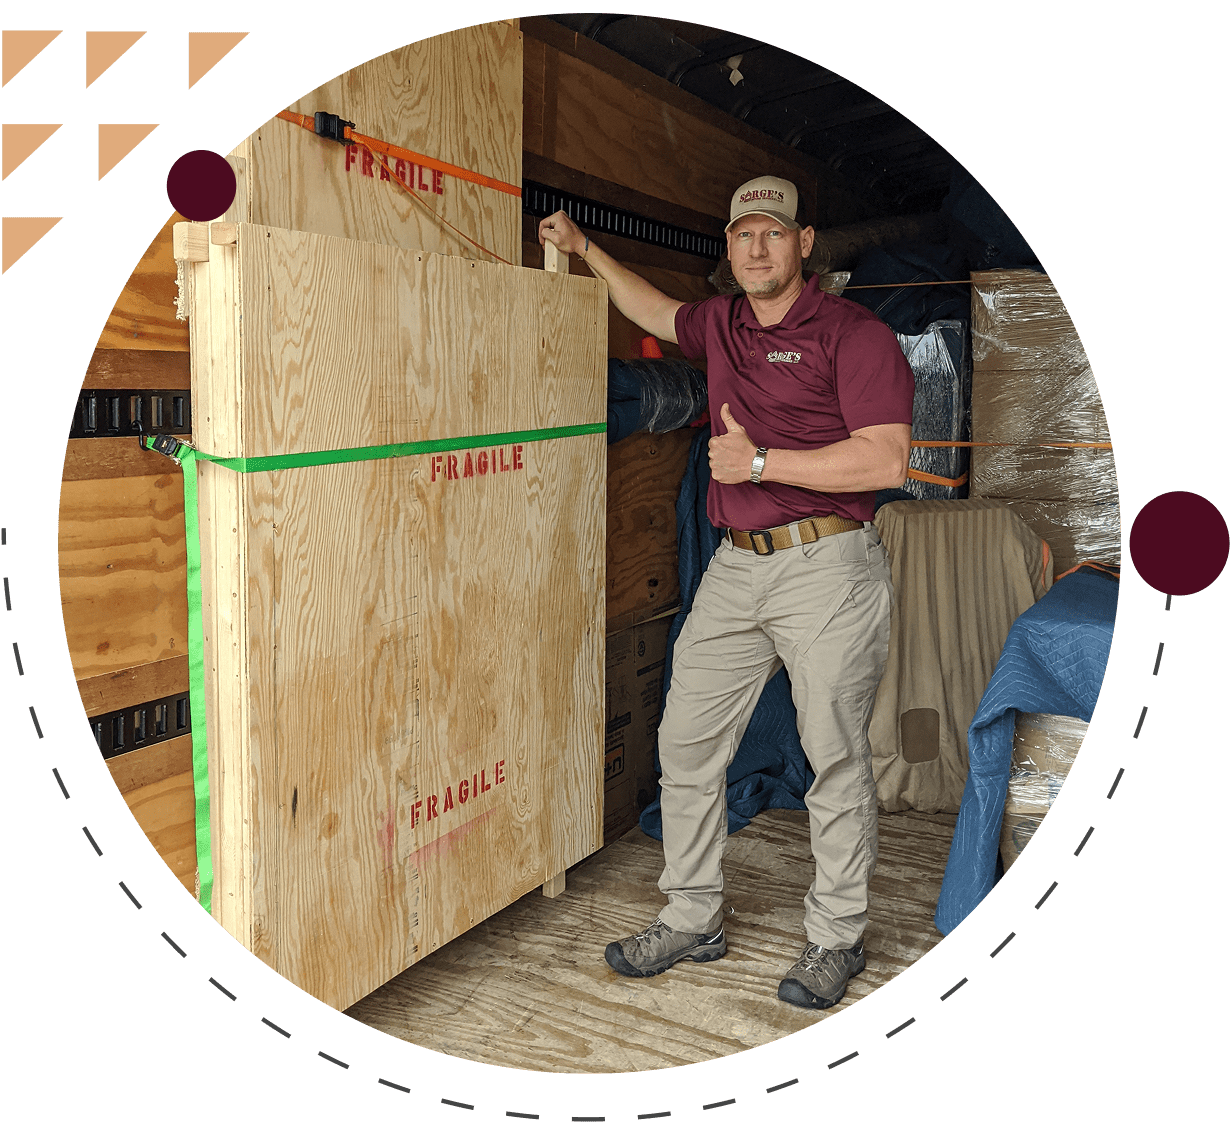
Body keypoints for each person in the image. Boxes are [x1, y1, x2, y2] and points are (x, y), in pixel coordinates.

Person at [539, 175, 915, 1010]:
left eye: (772, 233)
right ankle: (693, 915)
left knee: (835, 756)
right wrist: (584, 249)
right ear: (731, 245)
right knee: (685, 742)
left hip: (829, 566)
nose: (755, 247)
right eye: (742, 233)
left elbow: (886, 460)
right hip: (736, 567)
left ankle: (836, 935)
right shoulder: (723, 325)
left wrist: (758, 464)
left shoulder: (856, 337)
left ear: (804, 243)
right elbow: (654, 311)